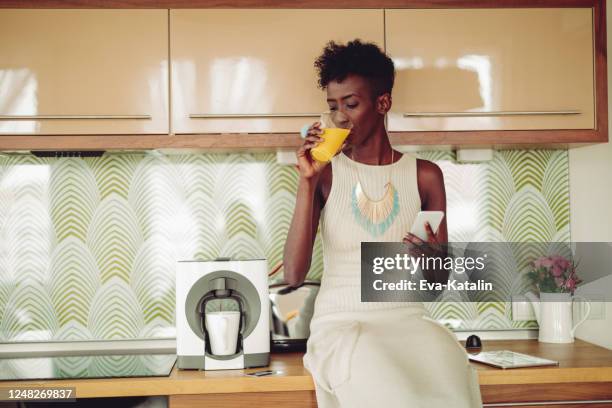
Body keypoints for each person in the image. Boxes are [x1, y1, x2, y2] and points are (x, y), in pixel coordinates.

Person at [283, 39, 483, 408]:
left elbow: (435, 286)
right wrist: (307, 182)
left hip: (409, 322)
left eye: (351, 104)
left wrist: (431, 259)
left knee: (452, 377)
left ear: (383, 103)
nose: (339, 117)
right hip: (344, 327)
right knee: (394, 392)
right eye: (333, 106)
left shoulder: (425, 177)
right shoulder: (325, 175)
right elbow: (294, 275)